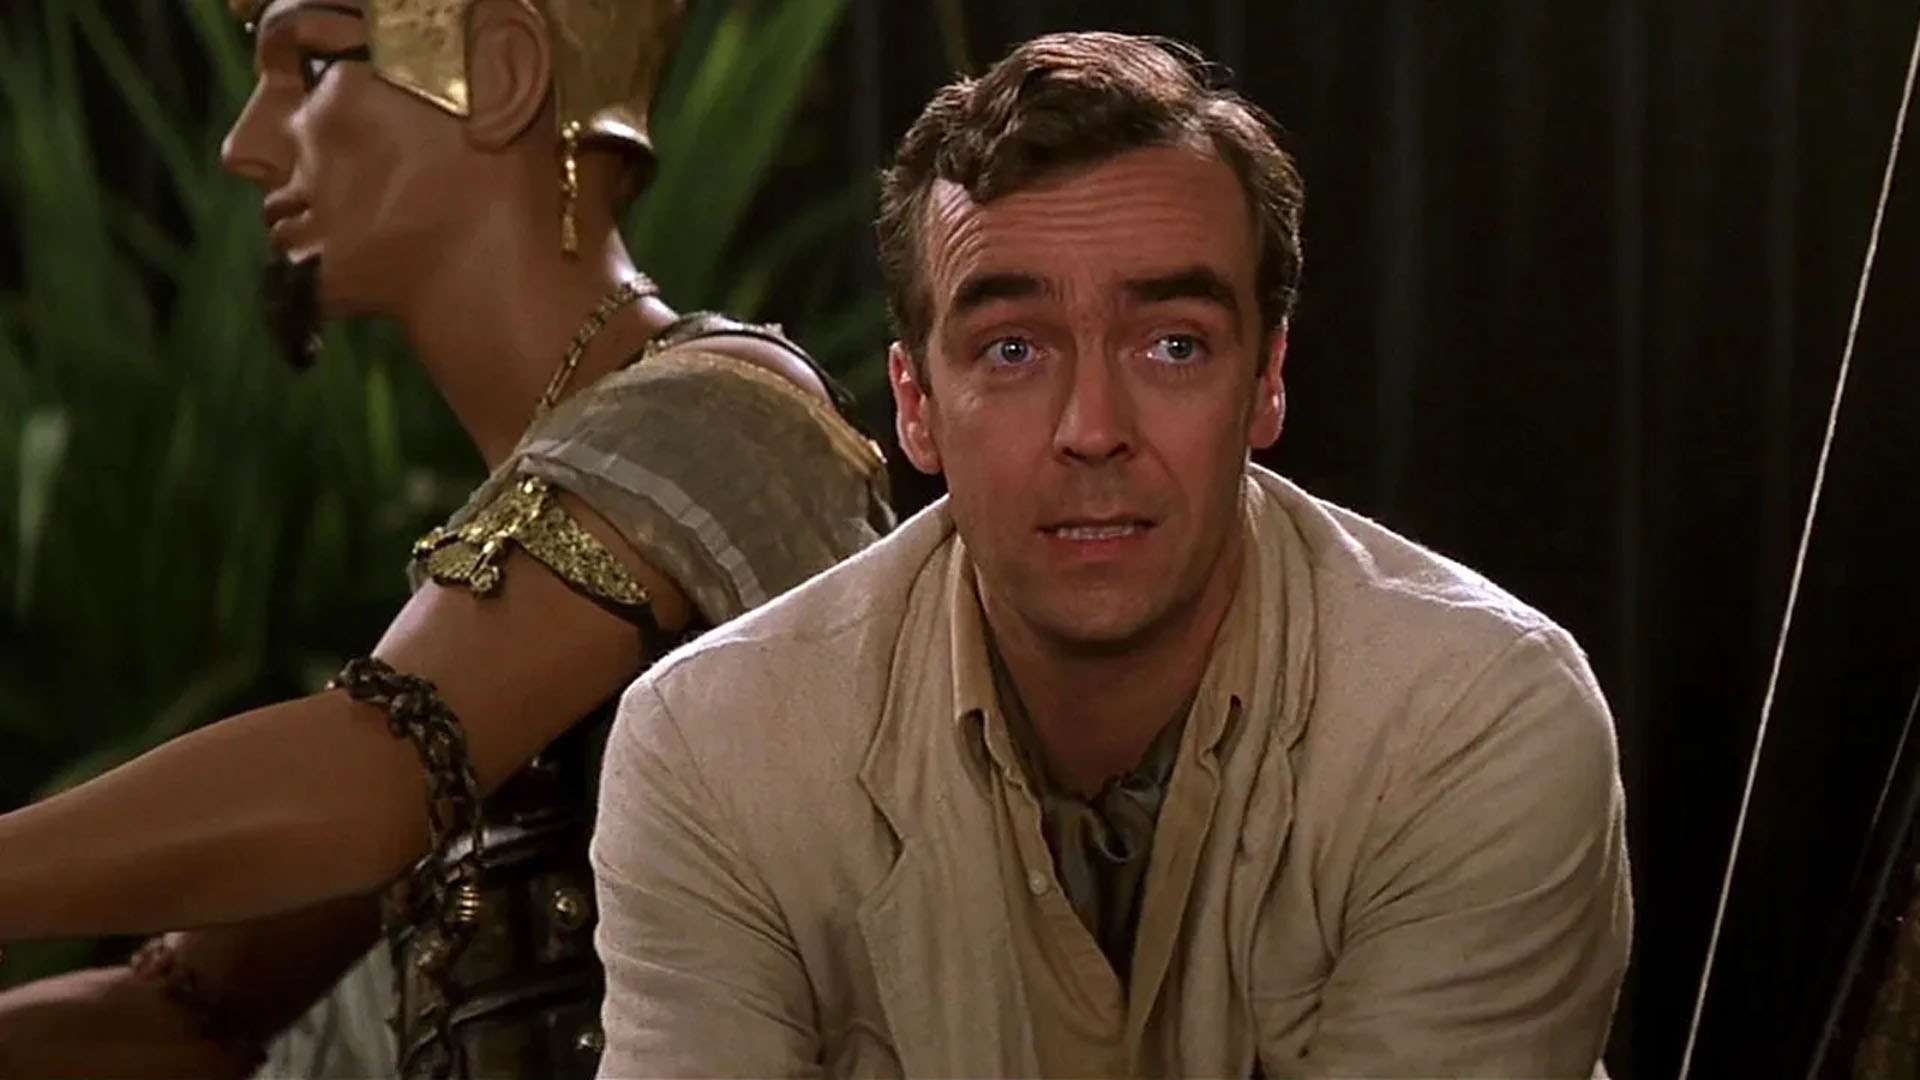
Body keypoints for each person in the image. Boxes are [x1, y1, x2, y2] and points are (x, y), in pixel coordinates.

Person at [589, 29, 1632, 1079]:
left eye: (1173, 345)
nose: (1092, 428)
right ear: (917, 405)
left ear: (1266, 380)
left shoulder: (1473, 720)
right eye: (1013, 349)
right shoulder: (718, 748)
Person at [0, 0, 891, 1076]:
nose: (245, 144)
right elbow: (191, 1013)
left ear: (504, 70)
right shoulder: (493, 597)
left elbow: (372, 776)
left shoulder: (719, 413)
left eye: (311, 66)